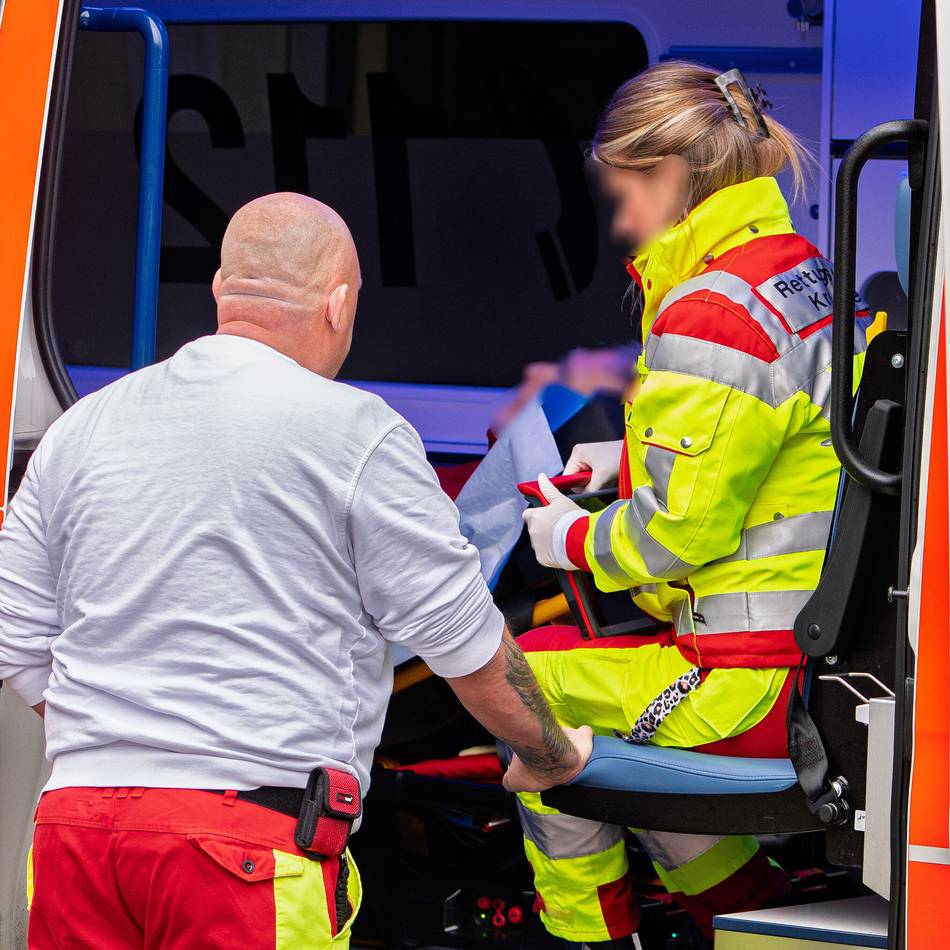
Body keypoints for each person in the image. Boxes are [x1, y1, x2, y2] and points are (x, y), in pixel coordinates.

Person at [0, 193, 591, 949]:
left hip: (76, 835)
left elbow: (16, 639)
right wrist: (548, 752)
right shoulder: (357, 434)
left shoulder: (80, 429)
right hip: (246, 850)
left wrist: (118, 733)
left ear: (221, 290)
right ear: (338, 306)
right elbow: (466, 644)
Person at [516, 61, 871, 947]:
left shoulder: (712, 314)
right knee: (607, 735)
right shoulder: (793, 273)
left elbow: (679, 534)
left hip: (746, 689)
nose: (621, 220)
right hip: (804, 664)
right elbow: (774, 449)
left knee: (522, 689)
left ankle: (585, 939)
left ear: (673, 177)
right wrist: (626, 458)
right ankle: (746, 914)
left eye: (624, 191)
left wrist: (571, 539)